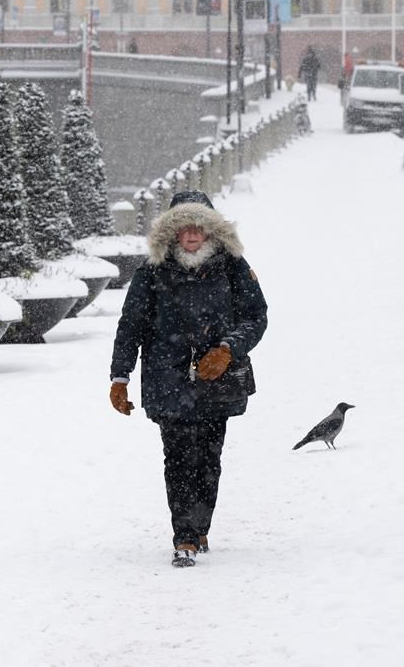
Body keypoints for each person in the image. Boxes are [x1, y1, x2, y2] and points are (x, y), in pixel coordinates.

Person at [108, 190, 267, 568]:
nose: (192, 234)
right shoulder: (151, 271)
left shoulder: (233, 267)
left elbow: (256, 316)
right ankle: (184, 536)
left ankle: (200, 525)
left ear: (212, 231)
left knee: (210, 457)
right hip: (169, 378)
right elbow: (131, 324)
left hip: (219, 378)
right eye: (184, 227)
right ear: (172, 232)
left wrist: (228, 349)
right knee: (178, 457)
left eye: (200, 226)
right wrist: (120, 376)